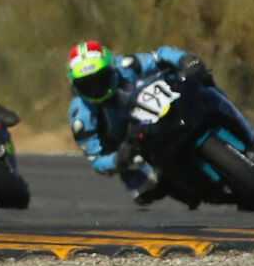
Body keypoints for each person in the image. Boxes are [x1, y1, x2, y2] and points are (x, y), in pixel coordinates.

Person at [66, 40, 213, 204]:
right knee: (145, 190)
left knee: (201, 79)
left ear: (111, 70)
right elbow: (96, 160)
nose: (95, 88)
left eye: (100, 79)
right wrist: (116, 160)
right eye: (87, 85)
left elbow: (159, 56)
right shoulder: (80, 117)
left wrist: (184, 59)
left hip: (162, 109)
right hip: (133, 145)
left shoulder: (126, 66)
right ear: (75, 87)